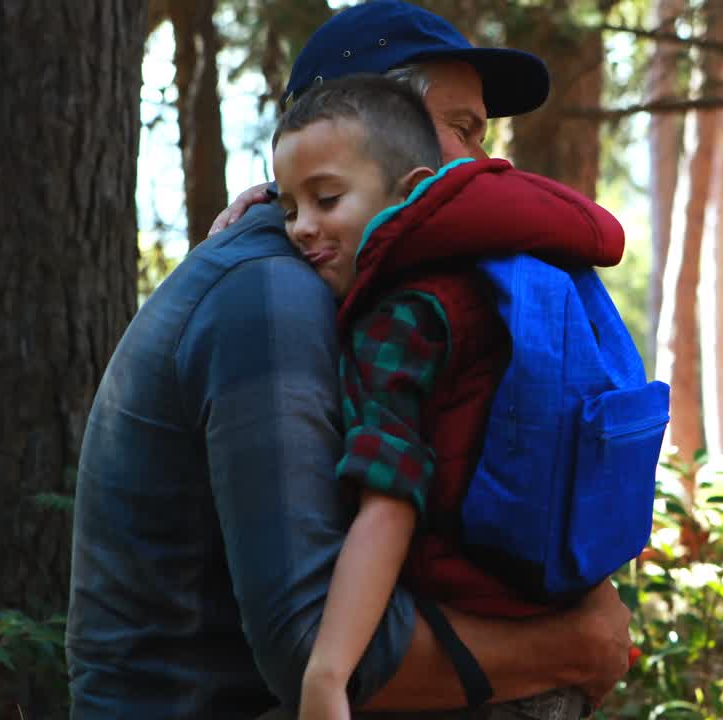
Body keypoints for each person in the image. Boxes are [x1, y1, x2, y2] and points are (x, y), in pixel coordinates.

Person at [65, 3, 631, 718]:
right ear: (372, 131)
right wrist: (569, 646)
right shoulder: (273, 293)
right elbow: (309, 645)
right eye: (463, 129)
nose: (487, 165)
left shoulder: (360, 284)